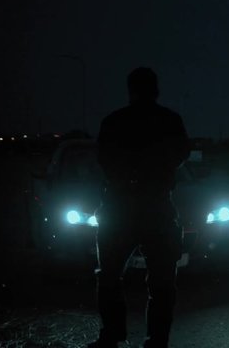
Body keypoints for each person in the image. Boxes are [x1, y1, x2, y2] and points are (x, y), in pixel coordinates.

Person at [88, 67, 190, 348]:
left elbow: (105, 161)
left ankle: (112, 336)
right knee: (162, 284)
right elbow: (181, 155)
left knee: (109, 277)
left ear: (130, 90)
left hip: (119, 208)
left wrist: (129, 176)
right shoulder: (170, 120)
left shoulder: (114, 121)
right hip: (156, 209)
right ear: (156, 90)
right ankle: (156, 341)